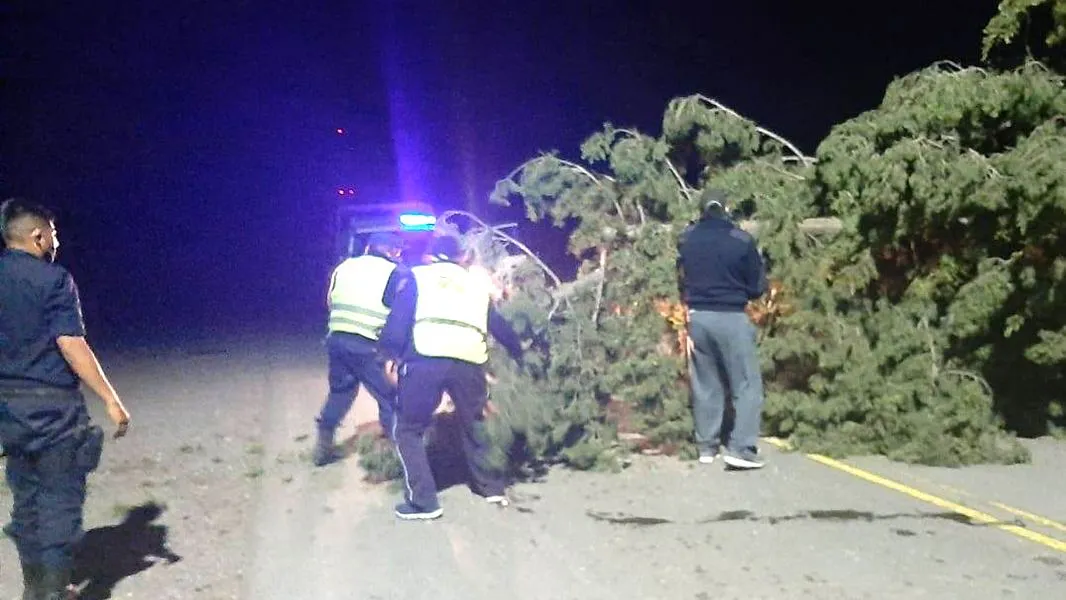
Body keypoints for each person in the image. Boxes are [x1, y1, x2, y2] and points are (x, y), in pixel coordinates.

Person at [0, 198, 131, 599]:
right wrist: (110, 397)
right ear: (37, 236)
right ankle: (54, 593)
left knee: (27, 502)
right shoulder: (53, 280)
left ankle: (33, 588)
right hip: (53, 410)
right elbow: (70, 343)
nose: (57, 242)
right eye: (54, 235)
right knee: (59, 502)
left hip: (8, 411)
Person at [377, 234, 524, 520]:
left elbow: (399, 321)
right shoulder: (476, 286)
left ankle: (424, 502)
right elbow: (498, 325)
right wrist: (519, 353)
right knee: (475, 425)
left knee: (408, 429)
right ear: (461, 258)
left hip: (425, 359)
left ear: (431, 256)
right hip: (469, 362)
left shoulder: (418, 276)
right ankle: (492, 488)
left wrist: (388, 356)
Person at [676, 189, 768, 470]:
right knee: (747, 384)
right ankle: (741, 448)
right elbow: (756, 287)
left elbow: (681, 277)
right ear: (727, 209)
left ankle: (707, 446)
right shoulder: (741, 240)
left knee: (706, 383)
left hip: (699, 317)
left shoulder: (687, 239)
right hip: (731, 318)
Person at [313, 231, 409, 466]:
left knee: (341, 392)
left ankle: (322, 448)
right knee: (390, 397)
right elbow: (399, 316)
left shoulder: (343, 267)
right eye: (398, 251)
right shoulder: (395, 273)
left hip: (337, 340)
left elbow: (329, 301)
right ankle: (397, 457)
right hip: (369, 345)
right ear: (391, 251)